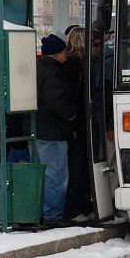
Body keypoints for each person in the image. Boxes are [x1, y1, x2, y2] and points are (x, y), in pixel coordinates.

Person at [36, 33, 77, 227]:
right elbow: (56, 101)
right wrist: (71, 115)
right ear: (56, 54)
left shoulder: (40, 68)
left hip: (41, 129)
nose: (66, 56)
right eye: (63, 52)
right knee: (57, 175)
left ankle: (46, 212)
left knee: (46, 174)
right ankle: (53, 215)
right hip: (54, 131)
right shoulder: (53, 72)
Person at [63, 26, 92, 220]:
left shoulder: (71, 64)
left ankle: (80, 205)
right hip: (77, 124)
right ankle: (77, 207)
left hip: (77, 123)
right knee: (77, 167)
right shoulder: (76, 66)